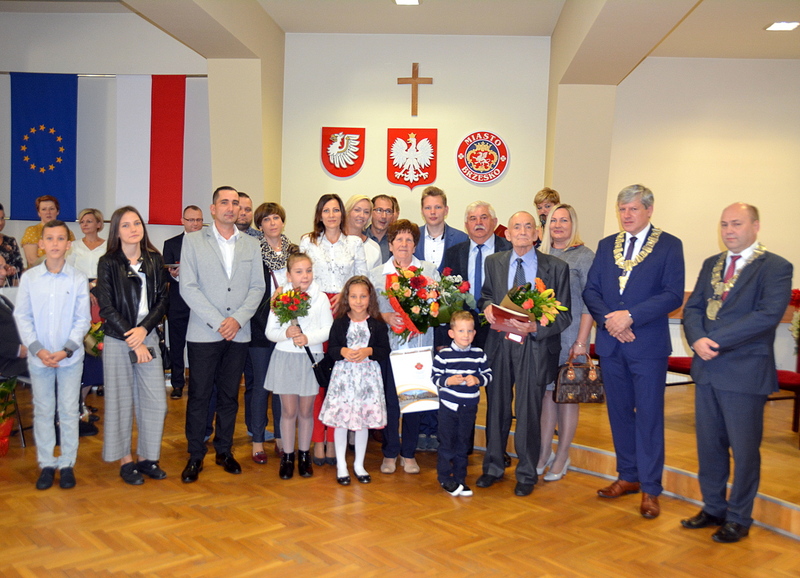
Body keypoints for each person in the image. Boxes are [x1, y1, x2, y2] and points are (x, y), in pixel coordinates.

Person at [681, 203, 792, 543]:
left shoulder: (775, 266)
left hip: (744, 373)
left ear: (755, 226)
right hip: (708, 369)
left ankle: (739, 517)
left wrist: (714, 340)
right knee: (709, 446)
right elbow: (693, 307)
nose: (729, 230)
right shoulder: (711, 263)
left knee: (744, 451)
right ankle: (713, 507)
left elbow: (767, 315)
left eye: (737, 224)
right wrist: (697, 339)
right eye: (724, 224)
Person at [583, 184, 684, 519]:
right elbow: (591, 290)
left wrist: (631, 316)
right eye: (622, 209)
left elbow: (672, 294)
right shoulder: (606, 245)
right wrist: (610, 321)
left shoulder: (669, 245)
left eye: (633, 209)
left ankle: (651, 488)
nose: (626, 215)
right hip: (612, 344)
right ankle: (628, 476)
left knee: (650, 416)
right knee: (619, 413)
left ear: (649, 210)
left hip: (648, 346)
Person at [476, 211, 571, 497]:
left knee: (530, 411)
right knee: (497, 407)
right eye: (516, 227)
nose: (522, 231)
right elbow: (486, 295)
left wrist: (536, 327)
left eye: (528, 226)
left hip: (535, 346)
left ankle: (527, 472)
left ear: (536, 234)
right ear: (507, 234)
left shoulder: (556, 267)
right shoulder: (494, 262)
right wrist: (487, 307)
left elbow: (564, 315)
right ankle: (493, 467)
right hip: (499, 344)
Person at [179, 186, 266, 483]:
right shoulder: (193, 241)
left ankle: (224, 450)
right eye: (225, 202)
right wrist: (219, 322)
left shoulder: (251, 244)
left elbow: (258, 287)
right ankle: (195, 454)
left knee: (230, 395)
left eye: (236, 203)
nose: (231, 208)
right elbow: (188, 286)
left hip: (238, 333)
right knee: (200, 395)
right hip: (204, 332)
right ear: (213, 209)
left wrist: (237, 320)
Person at [94, 206, 169, 485]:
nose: (133, 229)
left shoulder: (154, 259)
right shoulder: (108, 262)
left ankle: (148, 458)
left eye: (136, 223)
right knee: (120, 402)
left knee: (156, 402)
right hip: (118, 338)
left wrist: (143, 330)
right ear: (116, 231)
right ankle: (125, 460)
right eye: (125, 225)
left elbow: (162, 301)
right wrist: (132, 336)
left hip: (146, 335)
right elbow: (106, 306)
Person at [14, 220, 90, 490]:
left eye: (60, 238)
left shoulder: (78, 278)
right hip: (40, 357)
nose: (55, 243)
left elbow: (82, 319)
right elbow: (22, 316)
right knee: (44, 410)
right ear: (41, 244)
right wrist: (38, 349)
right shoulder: (30, 278)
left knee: (68, 411)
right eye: (50, 238)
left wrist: (66, 349)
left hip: (69, 357)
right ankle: (47, 463)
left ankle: (67, 463)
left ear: (68, 244)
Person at [300, 193, 368, 465]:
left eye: (336, 210)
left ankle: (334, 439)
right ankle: (319, 440)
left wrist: (345, 293)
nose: (331, 215)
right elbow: (302, 277)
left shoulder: (354, 242)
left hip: (344, 313)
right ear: (319, 214)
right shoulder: (308, 241)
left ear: (342, 214)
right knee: (319, 379)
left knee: (339, 380)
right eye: (326, 210)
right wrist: (319, 298)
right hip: (316, 312)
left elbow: (361, 278)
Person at [369, 219, 441, 475]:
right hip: (388, 350)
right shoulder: (377, 274)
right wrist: (384, 316)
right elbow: (367, 309)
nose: (403, 244)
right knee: (390, 402)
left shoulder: (429, 271)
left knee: (415, 402)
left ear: (415, 245)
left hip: (418, 349)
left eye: (409, 239)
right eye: (398, 239)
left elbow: (439, 308)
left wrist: (425, 313)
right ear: (390, 244)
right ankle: (390, 452)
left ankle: (408, 453)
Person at [536, 204, 595, 481]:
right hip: (545, 337)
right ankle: (544, 452)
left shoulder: (584, 256)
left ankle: (562, 455)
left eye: (564, 220)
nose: (558, 225)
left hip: (572, 337)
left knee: (568, 397)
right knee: (547, 396)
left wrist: (581, 342)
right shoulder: (541, 254)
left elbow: (589, 304)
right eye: (554, 220)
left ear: (573, 224)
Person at [265, 252, 334, 480]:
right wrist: (286, 333)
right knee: (288, 411)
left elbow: (328, 329)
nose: (305, 276)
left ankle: (304, 456)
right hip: (285, 358)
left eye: (308, 271)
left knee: (306, 411)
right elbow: (270, 332)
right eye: (299, 271)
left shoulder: (320, 298)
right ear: (289, 275)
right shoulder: (280, 297)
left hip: (310, 359)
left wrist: (308, 338)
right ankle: (288, 456)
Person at [320, 275, 390, 485]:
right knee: (342, 422)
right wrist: (343, 351)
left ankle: (359, 464)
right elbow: (332, 349)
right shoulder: (340, 322)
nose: (358, 301)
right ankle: (342, 465)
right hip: (344, 378)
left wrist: (369, 351)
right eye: (353, 296)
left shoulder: (377, 324)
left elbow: (384, 350)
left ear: (370, 298)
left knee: (363, 423)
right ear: (346, 298)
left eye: (363, 296)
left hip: (367, 379)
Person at [248, 201, 295, 462]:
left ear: (283, 221)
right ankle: (257, 440)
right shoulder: (252, 252)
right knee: (261, 386)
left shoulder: (294, 251)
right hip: (259, 326)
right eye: (266, 219)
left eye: (276, 217)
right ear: (260, 225)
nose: (272, 223)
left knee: (281, 386)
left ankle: (280, 437)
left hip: (287, 327)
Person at [431, 310, 492, 497]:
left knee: (463, 444)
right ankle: (444, 478)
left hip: (469, 407)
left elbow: (488, 375)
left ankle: (460, 479)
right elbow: (435, 378)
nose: (466, 335)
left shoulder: (479, 354)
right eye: (461, 331)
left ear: (474, 333)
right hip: (448, 408)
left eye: (469, 331)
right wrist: (448, 381)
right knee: (447, 443)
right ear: (451, 333)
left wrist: (478, 380)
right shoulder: (443, 355)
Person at [441, 201, 512, 349]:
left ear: (495, 222)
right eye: (473, 219)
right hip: (464, 328)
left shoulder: (509, 249)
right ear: (466, 225)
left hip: (500, 325)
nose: (478, 223)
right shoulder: (453, 253)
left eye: (484, 217)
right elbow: (447, 297)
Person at [67, 208, 107, 428]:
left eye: (89, 221)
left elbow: (110, 273)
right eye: (82, 221)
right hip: (79, 300)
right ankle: (76, 405)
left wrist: (97, 288)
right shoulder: (73, 246)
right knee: (81, 348)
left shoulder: (108, 246)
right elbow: (68, 273)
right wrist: (86, 288)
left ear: (99, 224)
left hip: (102, 299)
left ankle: (84, 400)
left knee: (96, 347)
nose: (84, 224)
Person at [163, 205, 204, 399]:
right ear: (182, 221)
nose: (195, 224)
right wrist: (174, 274)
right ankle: (177, 383)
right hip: (178, 303)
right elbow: (165, 274)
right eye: (191, 220)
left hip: (202, 305)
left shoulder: (210, 243)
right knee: (177, 345)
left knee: (199, 348)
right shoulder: (171, 244)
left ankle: (198, 384)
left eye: (198, 220)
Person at [414, 186, 468, 273]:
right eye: (428, 208)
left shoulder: (461, 239)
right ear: (422, 211)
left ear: (446, 210)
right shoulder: (413, 236)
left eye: (438, 207)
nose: (432, 212)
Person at [20, 195, 75, 269]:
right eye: (44, 209)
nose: (48, 212)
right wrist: (53, 269)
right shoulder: (32, 231)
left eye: (51, 209)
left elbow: (72, 258)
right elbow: (32, 260)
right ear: (39, 213)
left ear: (57, 211)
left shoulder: (68, 233)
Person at [0, 255, 28, 377]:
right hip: (8, 363)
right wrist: (18, 350)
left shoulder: (3, 299)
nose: (4, 273)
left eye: (4, 267)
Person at [344, 195, 382, 270]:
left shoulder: (374, 248)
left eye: (366, 212)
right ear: (348, 212)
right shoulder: (334, 242)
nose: (362, 215)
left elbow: (376, 276)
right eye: (357, 210)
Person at [365, 194, 396, 263]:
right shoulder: (360, 238)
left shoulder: (396, 240)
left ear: (392, 216)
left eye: (388, 211)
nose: (384, 216)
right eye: (379, 210)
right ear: (370, 212)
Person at [0, 203, 24, 284]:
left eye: (2, 218)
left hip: (8, 288)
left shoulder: (10, 241)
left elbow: (19, 266)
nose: (1, 222)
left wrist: (12, 269)